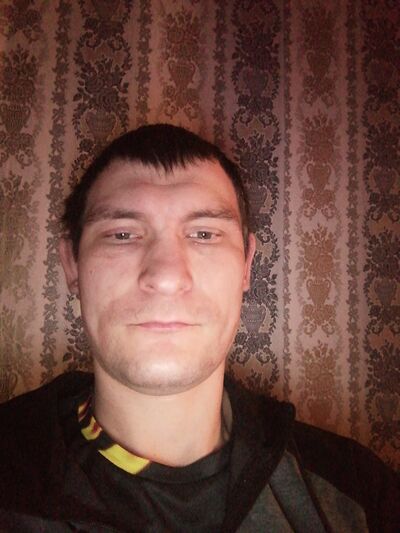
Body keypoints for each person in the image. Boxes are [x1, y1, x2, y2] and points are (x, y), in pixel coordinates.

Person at [0, 124, 398, 532]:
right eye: (122, 234)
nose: (166, 276)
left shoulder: (359, 490)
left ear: (246, 265)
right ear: (72, 264)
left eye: (204, 234)